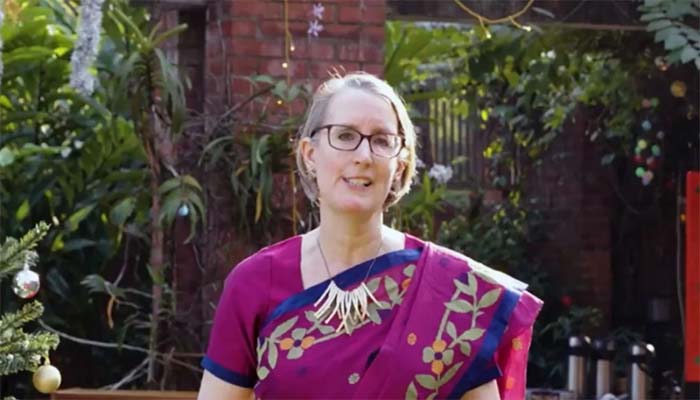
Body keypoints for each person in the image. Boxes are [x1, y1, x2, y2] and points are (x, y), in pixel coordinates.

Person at [197, 72, 542, 400]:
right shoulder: (254, 282)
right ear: (310, 154)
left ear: (400, 166)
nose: (363, 156)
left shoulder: (458, 293)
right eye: (345, 136)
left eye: (381, 141)